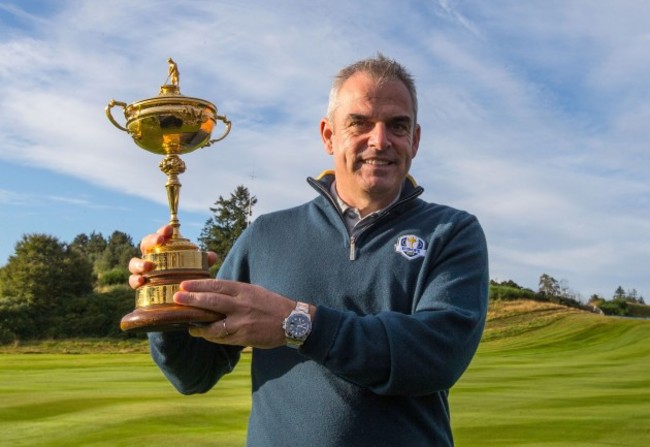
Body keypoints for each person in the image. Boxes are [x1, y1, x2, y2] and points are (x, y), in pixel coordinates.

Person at [129, 54, 489, 446]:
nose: (380, 140)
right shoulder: (267, 234)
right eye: (360, 123)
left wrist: (296, 323)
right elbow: (194, 373)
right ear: (328, 135)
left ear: (415, 140)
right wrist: (167, 296)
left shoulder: (451, 232)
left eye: (397, 126)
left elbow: (434, 357)